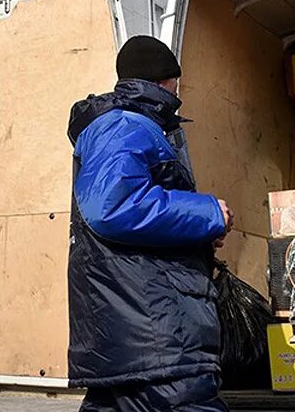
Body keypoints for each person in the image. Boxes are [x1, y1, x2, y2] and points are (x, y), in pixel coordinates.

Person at [66, 35, 232, 412]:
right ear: (164, 81)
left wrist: (200, 232)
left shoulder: (128, 125)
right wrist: (208, 213)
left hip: (135, 331)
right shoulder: (128, 125)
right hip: (156, 331)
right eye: (177, 81)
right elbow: (112, 206)